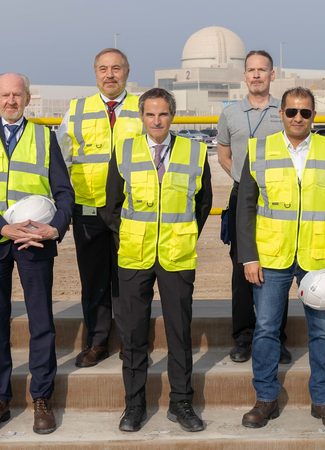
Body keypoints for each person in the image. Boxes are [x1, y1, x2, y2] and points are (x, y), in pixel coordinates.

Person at [237, 87, 325, 429]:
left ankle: (323, 401)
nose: (298, 118)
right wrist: (248, 256)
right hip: (271, 255)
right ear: (282, 114)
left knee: (322, 331)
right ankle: (265, 399)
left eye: (305, 112)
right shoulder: (259, 150)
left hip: (318, 257)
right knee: (265, 329)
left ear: (314, 115)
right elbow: (245, 206)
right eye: (292, 112)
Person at [0, 73, 74, 435]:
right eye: (5, 95)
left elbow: (63, 192)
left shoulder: (45, 137)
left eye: (18, 95)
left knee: (41, 321)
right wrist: (2, 227)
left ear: (28, 98)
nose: (11, 101)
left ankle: (41, 397)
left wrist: (54, 228)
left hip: (35, 241)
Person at [102, 88, 212, 433]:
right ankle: (134, 405)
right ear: (141, 117)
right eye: (150, 114)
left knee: (179, 332)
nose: (156, 121)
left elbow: (203, 203)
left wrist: (180, 234)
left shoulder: (195, 152)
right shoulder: (126, 150)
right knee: (133, 334)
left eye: (163, 114)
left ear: (172, 116)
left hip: (176, 256)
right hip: (135, 255)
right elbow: (110, 206)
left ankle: (181, 402)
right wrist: (132, 235)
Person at [56, 48, 143, 367]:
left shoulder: (143, 107)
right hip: (89, 210)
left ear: (127, 71)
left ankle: (132, 340)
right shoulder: (77, 110)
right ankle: (97, 340)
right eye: (103, 69)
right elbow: (61, 159)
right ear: (95, 73)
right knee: (93, 279)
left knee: (129, 278)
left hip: (131, 210)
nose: (110, 74)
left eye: (116, 68)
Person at [216, 50, 289, 364]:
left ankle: (275, 337)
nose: (257, 75)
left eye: (263, 70)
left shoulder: (285, 111)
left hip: (277, 199)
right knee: (241, 267)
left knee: (278, 268)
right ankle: (243, 337)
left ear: (273, 74)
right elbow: (223, 152)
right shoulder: (230, 113)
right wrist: (242, 181)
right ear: (244, 75)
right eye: (251, 70)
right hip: (241, 198)